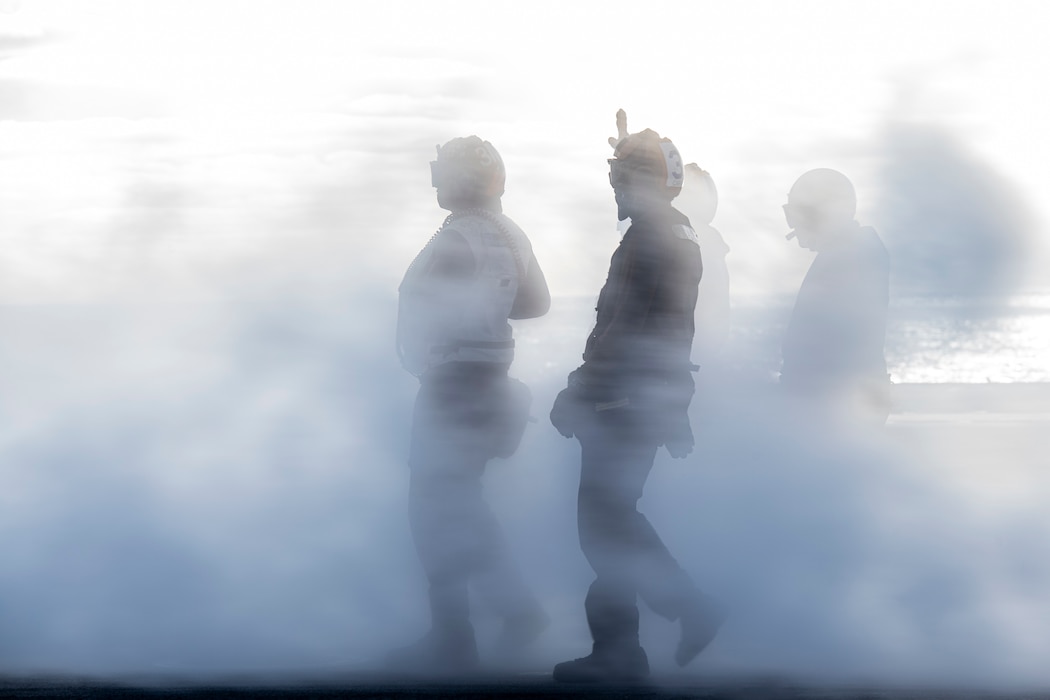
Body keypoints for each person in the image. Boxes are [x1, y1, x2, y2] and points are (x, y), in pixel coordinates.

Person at [549, 113, 722, 684]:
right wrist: (676, 407)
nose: (615, 189)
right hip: (650, 396)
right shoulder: (678, 232)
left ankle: (652, 631)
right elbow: (673, 331)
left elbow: (625, 330)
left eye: (622, 179)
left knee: (604, 524)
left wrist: (577, 390)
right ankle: (628, 645)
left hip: (623, 401)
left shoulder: (649, 239)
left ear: (645, 183)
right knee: (613, 520)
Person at [392, 135, 551, 672]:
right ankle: (514, 611)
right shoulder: (511, 235)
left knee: (431, 511)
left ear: (463, 180)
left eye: (440, 171)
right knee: (462, 503)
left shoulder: (457, 240)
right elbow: (536, 304)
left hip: (452, 383)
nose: (434, 181)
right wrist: (490, 307)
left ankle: (454, 637)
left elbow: (433, 311)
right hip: (489, 377)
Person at [780, 168, 891, 424]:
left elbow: (827, 341)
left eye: (802, 219)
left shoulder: (848, 257)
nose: (798, 235)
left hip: (833, 403)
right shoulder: (854, 251)